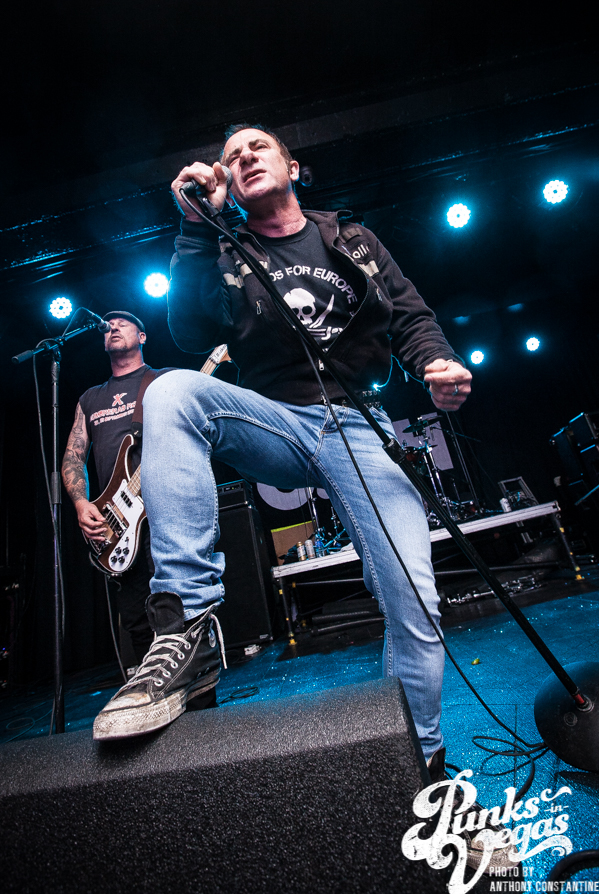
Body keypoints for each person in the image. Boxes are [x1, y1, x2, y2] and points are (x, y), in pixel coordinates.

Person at [92, 125, 472, 751]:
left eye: (258, 148)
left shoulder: (352, 240)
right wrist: (194, 226)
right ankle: (186, 626)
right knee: (171, 391)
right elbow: (189, 332)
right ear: (229, 184)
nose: (244, 157)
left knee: (415, 598)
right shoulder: (224, 251)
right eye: (232, 157)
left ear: (292, 168)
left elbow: (410, 317)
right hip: (276, 421)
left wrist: (438, 362)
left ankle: (418, 758)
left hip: (359, 426)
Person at [61, 312, 170, 667]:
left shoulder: (162, 381)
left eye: (123, 323)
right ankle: (149, 681)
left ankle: (192, 681)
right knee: (136, 617)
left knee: (174, 599)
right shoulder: (90, 399)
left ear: (142, 336)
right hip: (118, 520)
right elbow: (73, 457)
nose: (113, 328)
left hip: (163, 507)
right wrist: (81, 504)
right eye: (108, 326)